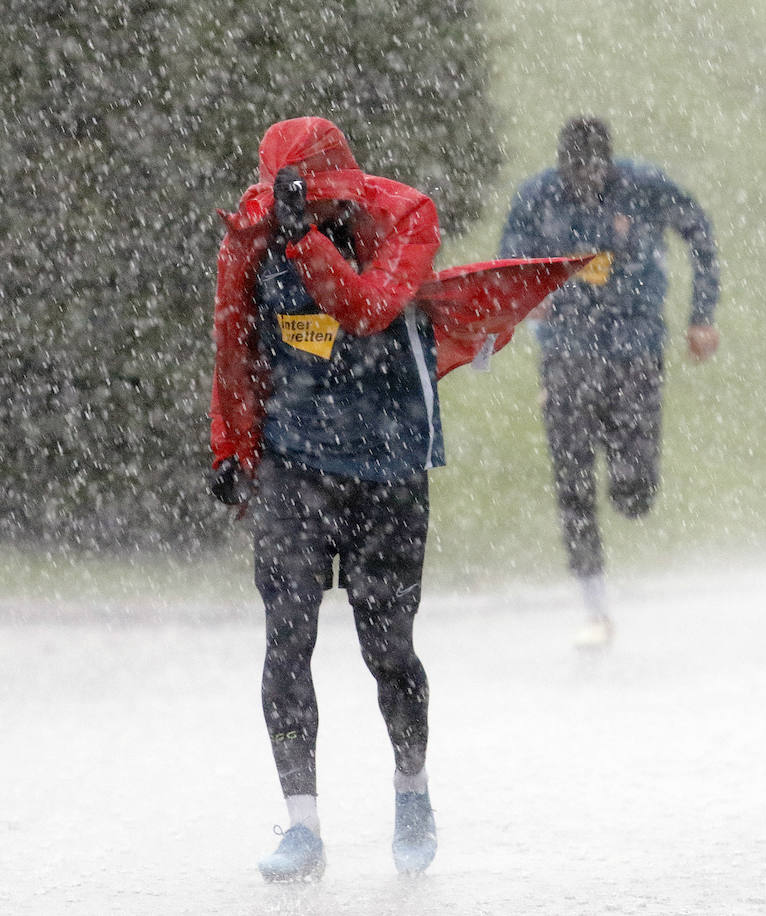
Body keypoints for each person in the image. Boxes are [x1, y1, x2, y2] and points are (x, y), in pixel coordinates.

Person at [209, 117, 444, 882]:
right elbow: (233, 343)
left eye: (311, 193)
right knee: (287, 639)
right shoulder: (254, 239)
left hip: (390, 470)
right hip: (294, 469)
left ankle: (411, 791)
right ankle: (302, 826)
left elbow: (368, 310)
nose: (297, 205)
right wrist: (231, 447)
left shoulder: (404, 223)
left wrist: (308, 241)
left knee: (388, 652)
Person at [498, 116, 721, 648]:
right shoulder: (537, 197)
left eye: (594, 171)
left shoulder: (644, 187)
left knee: (633, 491)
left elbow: (699, 233)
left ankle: (631, 483)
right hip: (567, 355)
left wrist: (702, 314)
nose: (585, 182)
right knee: (573, 481)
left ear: (609, 164)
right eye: (574, 172)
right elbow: (508, 259)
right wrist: (528, 294)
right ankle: (595, 607)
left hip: (634, 350)